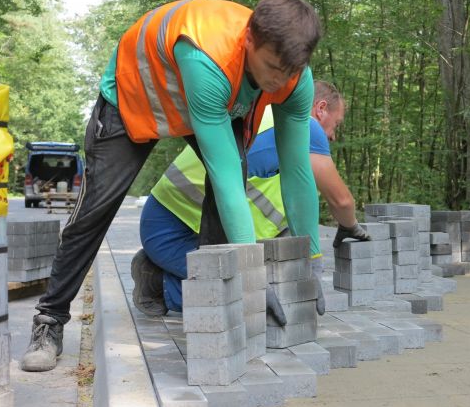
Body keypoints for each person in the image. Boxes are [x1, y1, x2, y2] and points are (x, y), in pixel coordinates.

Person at [21, 0, 322, 372]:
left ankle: (215, 308)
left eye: (289, 72)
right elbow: (224, 173)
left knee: (228, 186)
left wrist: (312, 260)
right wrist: (254, 276)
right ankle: (49, 322)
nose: (279, 80)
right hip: (134, 99)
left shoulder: (294, 77)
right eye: (271, 67)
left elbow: (297, 170)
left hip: (209, 100)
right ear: (249, 40)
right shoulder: (207, 55)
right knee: (95, 210)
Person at [135, 81, 370, 322]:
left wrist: (300, 266)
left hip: (182, 226)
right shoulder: (306, 127)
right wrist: (350, 226)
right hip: (170, 229)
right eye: (336, 124)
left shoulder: (267, 118)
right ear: (320, 109)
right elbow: (341, 200)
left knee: (276, 286)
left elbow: (288, 210)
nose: (332, 136)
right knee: (248, 298)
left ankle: (169, 270)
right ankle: (156, 280)